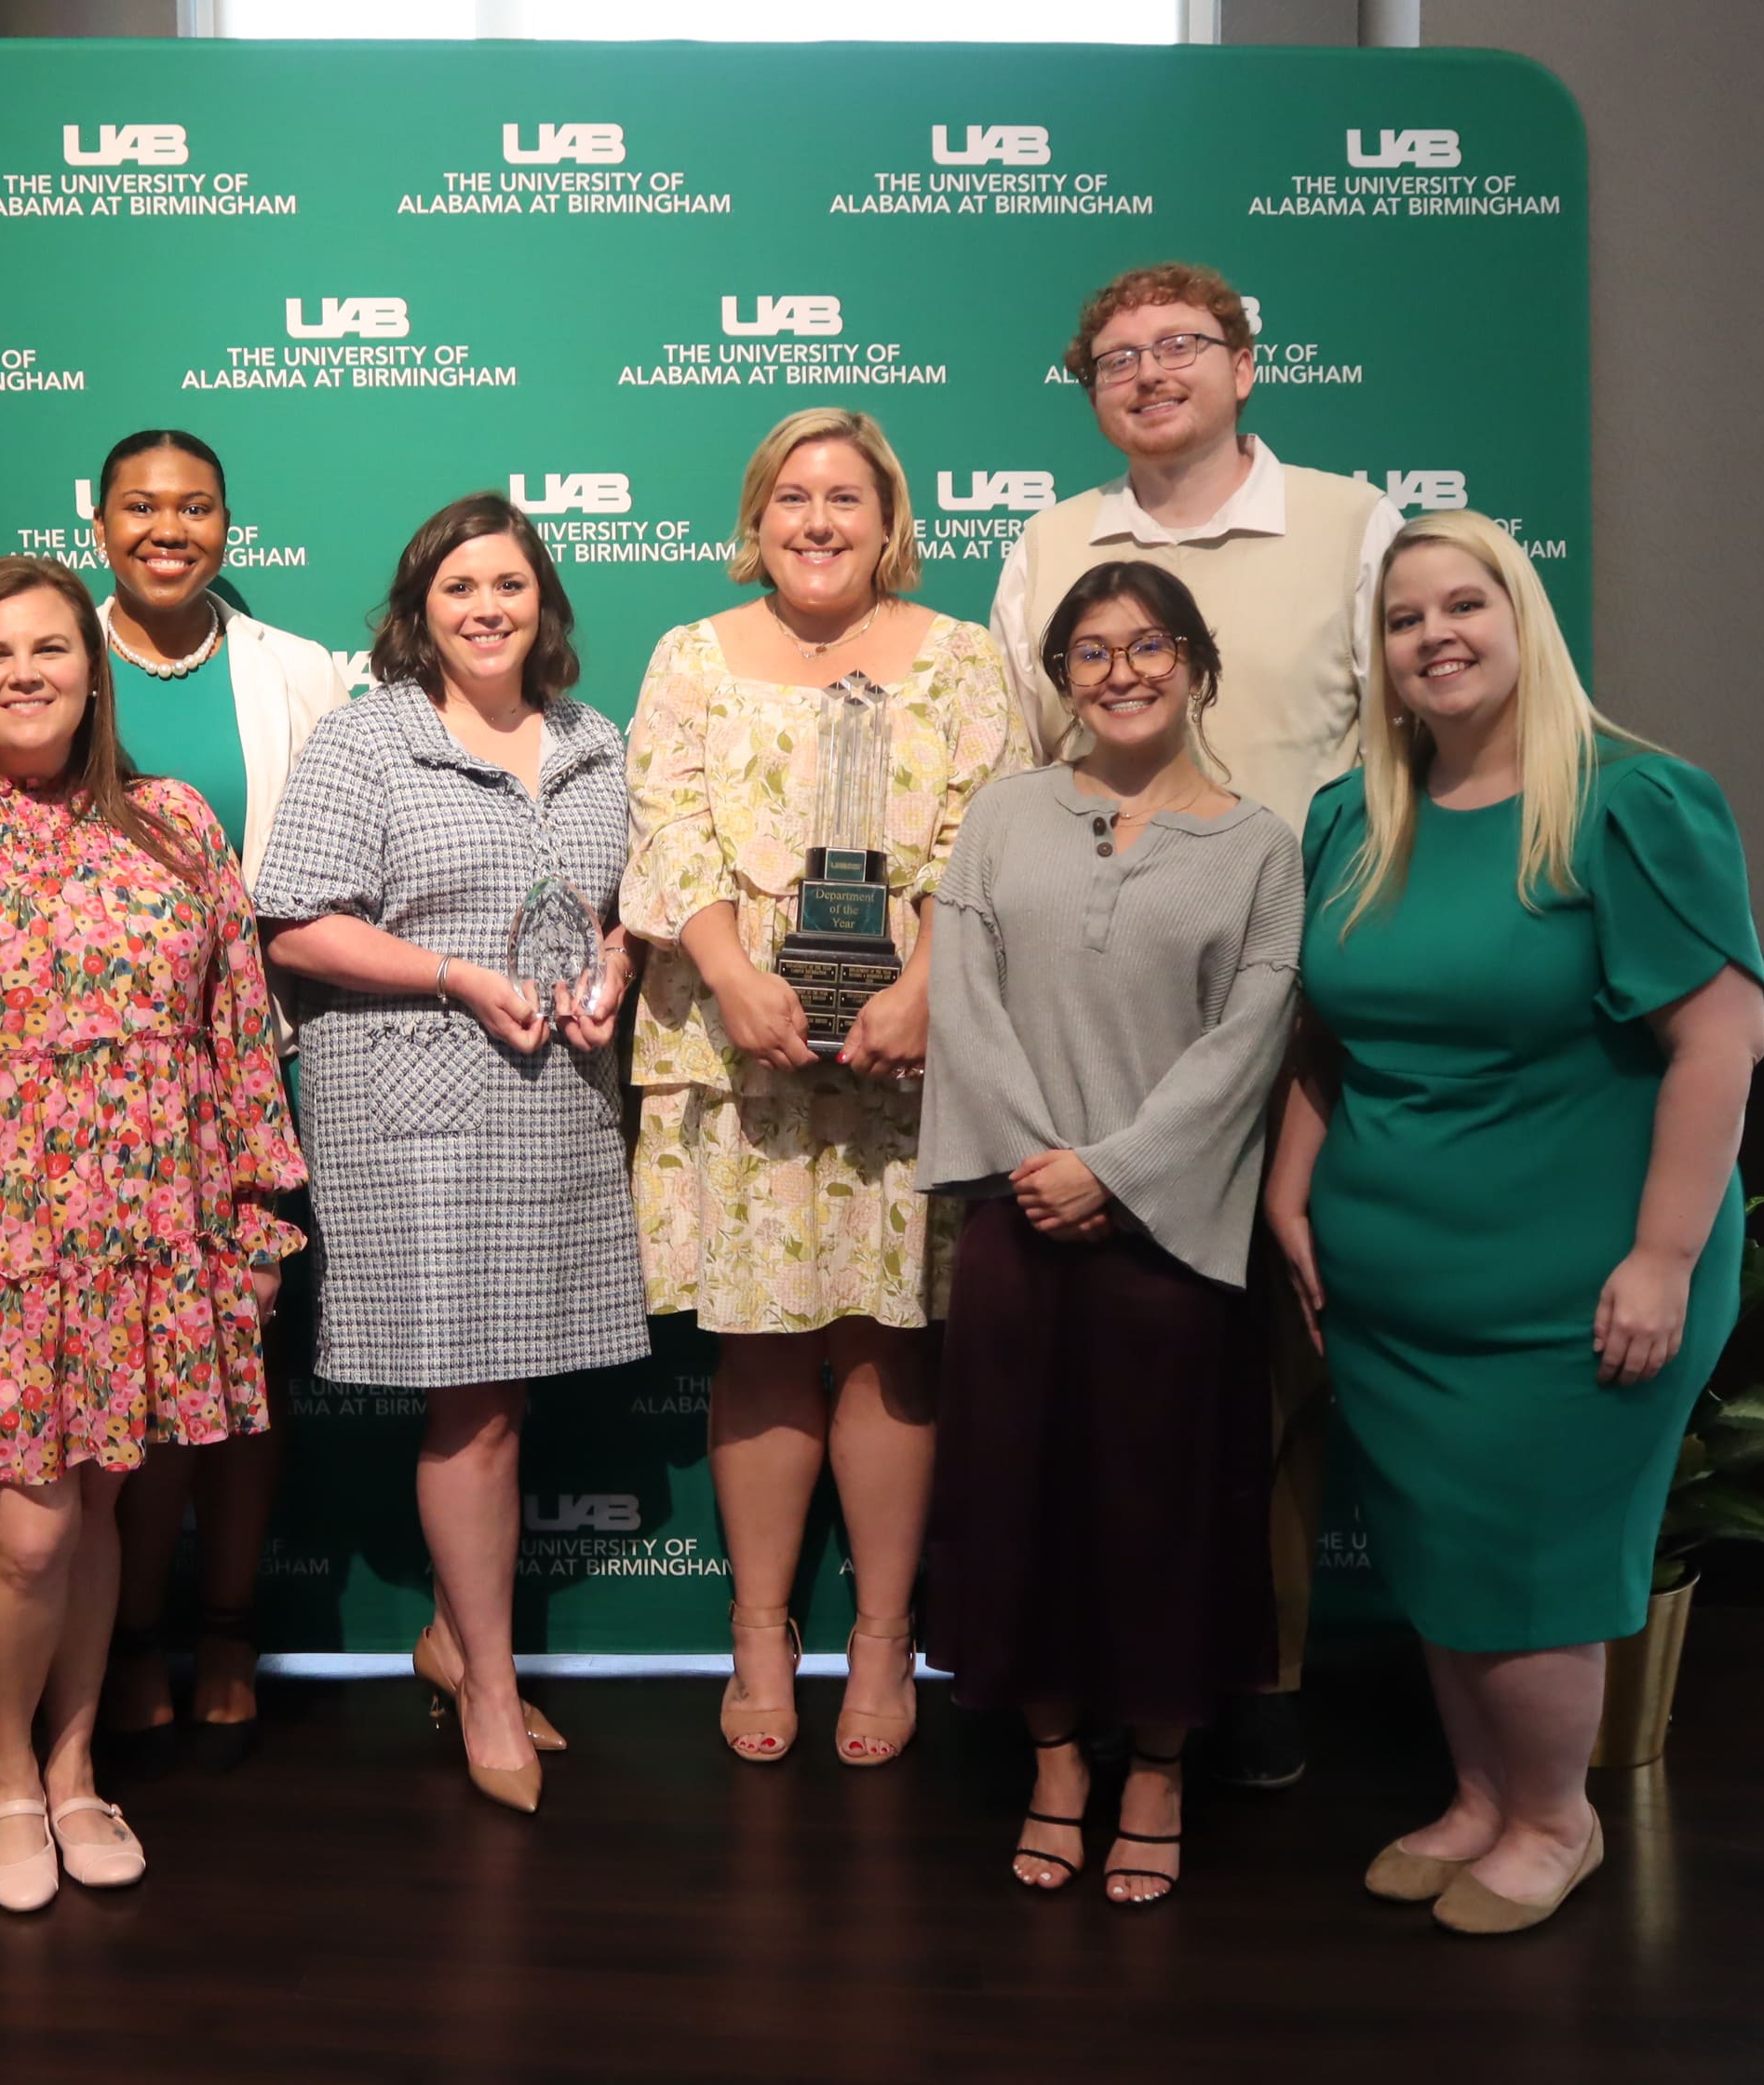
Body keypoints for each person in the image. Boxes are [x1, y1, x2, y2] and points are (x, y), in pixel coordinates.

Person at [1266, 510, 1764, 1936]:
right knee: (1441, 1545)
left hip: (1581, 1282)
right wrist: (1291, 1186)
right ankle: (1482, 1799)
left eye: (1463, 604)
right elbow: (1330, 1033)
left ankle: (1558, 1819)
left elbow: (1719, 1042)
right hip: (1393, 1279)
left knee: (1537, 1561)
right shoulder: (1354, 813)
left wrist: (1664, 1258)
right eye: (1404, 617)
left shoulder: (1634, 801)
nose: (1435, 636)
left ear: (1521, 616)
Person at [0, 557, 303, 1912]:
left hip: (148, 1235)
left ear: (95, 673)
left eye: (49, 649)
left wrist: (256, 1218)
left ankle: (80, 1767)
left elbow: (239, 1031)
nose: (24, 674)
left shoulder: (177, 824)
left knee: (97, 1519)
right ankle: (7, 1773)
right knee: (23, 1536)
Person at [987, 261, 1406, 1788]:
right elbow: (1020, 788)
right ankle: (1093, 1682)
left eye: (1179, 348)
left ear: (1246, 364)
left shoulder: (1356, 530)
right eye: (1113, 357)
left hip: (1295, 1019)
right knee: (1097, 1385)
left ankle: (1261, 1668)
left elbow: (1403, 756)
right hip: (1090, 1030)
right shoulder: (1045, 547)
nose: (1148, 374)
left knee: (1270, 1369)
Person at [621, 408, 1011, 1769]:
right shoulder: (689, 655)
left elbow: (988, 836)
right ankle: (761, 1630)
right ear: (756, 517)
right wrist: (728, 974)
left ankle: (886, 1639)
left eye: (847, 496)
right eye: (794, 497)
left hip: (914, 1042)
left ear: (890, 515)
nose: (819, 520)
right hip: (738, 1046)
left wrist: (924, 990)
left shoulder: (964, 659)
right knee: (762, 1338)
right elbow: (665, 820)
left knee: (896, 1336)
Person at [253, 494, 645, 1814]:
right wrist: (455, 976)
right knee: (472, 1408)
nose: (488, 607)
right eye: (460, 586)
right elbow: (293, 923)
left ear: (547, 604)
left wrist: (613, 968)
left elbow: (619, 909)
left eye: (511, 585)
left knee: (507, 1400)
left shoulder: (597, 741)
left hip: (559, 1099)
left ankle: (452, 1638)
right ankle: (486, 1682)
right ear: (419, 608)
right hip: (414, 1109)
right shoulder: (370, 739)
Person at [917, 563, 1299, 1905]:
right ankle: (1058, 1757)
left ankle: (1156, 1768)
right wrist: (1039, 1161)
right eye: (1089, 653)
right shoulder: (1004, 819)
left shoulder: (1260, 845)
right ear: (1061, 677)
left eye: (1147, 648)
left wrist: (1118, 1172)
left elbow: (1248, 1045)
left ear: (1196, 664)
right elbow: (964, 1001)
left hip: (1173, 1241)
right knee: (1020, 1501)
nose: (1120, 672)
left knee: (1164, 1513)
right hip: (1021, 1219)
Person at [80, 429, 356, 1769]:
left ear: (230, 526)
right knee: (130, 1383)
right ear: (100, 523)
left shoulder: (294, 671)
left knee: (249, 1369)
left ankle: (232, 1626)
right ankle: (132, 1636)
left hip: (268, 1070)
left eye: (195, 506)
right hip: (98, 1088)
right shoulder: (51, 655)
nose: (168, 528)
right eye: (142, 506)